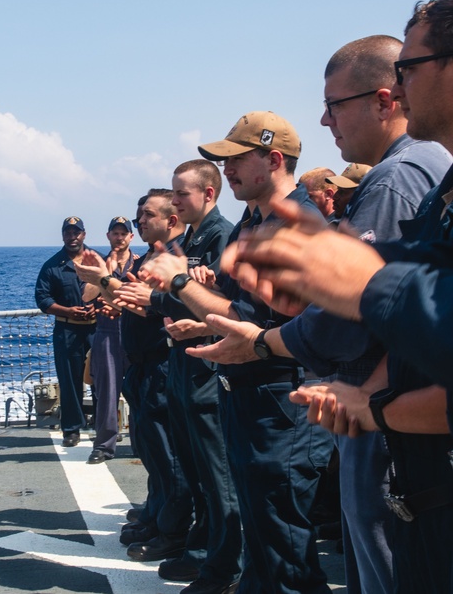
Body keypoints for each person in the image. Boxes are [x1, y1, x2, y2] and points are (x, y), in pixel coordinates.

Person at [186, 35, 452, 594]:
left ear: (385, 101)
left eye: (335, 105)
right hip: (376, 404)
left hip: (371, 413)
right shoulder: (429, 172)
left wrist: (265, 338)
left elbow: (362, 319)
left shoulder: (397, 177)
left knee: (378, 567)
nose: (325, 120)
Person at [139, 111, 333, 594]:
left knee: (284, 551)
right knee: (265, 546)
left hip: (283, 403)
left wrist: (179, 280)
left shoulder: (296, 224)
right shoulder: (258, 223)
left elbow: (256, 320)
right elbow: (238, 308)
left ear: (273, 159)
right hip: (251, 397)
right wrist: (199, 307)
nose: (227, 171)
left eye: (236, 160)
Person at [77, 189, 191, 562]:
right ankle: (157, 514)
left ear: (170, 219)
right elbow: (133, 301)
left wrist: (106, 281)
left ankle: (171, 531)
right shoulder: (153, 258)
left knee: (166, 453)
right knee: (151, 451)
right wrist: (117, 300)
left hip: (160, 364)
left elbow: (152, 308)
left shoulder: (175, 259)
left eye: (147, 216)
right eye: (138, 216)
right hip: (142, 365)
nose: (139, 222)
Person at [145, 160, 240, 592]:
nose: (176, 201)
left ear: (208, 194)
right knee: (199, 471)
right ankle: (205, 552)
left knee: (217, 477)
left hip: (207, 367)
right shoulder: (194, 239)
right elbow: (184, 301)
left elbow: (220, 303)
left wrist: (167, 297)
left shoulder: (220, 235)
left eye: (182, 194)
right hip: (187, 362)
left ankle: (221, 565)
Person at [35, 217, 97, 447]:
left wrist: (97, 308)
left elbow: (113, 288)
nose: (73, 237)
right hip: (67, 330)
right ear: (63, 235)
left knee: (101, 378)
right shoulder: (52, 266)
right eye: (69, 233)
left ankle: (102, 424)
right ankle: (71, 429)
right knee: (70, 382)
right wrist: (68, 311)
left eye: (77, 232)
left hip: (96, 329)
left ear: (84, 234)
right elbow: (42, 299)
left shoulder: (98, 261)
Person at [80, 217, 137, 464]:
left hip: (135, 331)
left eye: (124, 233)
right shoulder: (100, 265)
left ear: (131, 238)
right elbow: (86, 296)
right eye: (115, 233)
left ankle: (141, 442)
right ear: (108, 236)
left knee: (139, 391)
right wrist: (107, 273)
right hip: (107, 333)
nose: (119, 237)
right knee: (106, 392)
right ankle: (103, 445)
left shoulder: (142, 264)